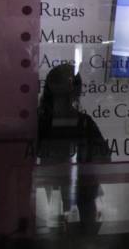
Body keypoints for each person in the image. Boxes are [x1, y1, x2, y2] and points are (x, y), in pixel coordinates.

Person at [36, 63, 110, 228]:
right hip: (65, 198)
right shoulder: (81, 123)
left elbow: (103, 158)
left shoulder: (41, 123)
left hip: (72, 197)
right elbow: (104, 158)